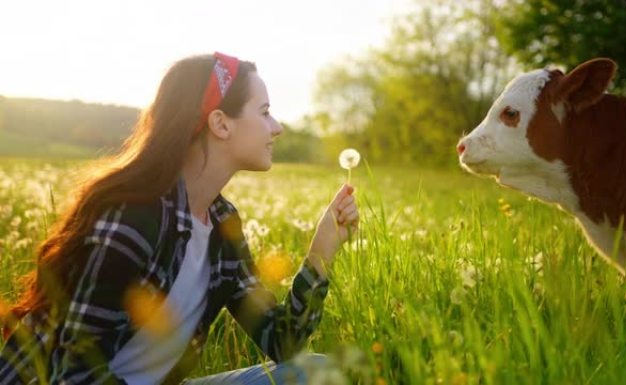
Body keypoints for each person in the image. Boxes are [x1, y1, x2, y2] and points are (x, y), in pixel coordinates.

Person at [0, 52, 359, 384]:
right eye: (264, 111)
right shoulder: (132, 218)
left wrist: (321, 252)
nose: (277, 127)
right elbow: (76, 374)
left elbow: (282, 345)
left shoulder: (221, 225)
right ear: (221, 124)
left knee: (317, 372)